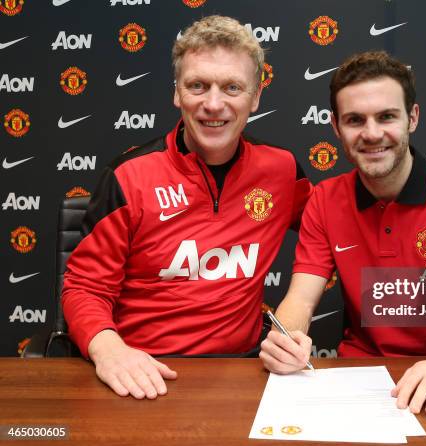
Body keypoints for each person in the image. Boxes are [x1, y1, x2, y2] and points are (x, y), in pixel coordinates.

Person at [62, 15, 312, 400]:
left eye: (232, 87)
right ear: (177, 93)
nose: (214, 104)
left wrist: (294, 317)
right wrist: (108, 350)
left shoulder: (281, 170)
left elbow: (328, 229)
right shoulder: (129, 176)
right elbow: (83, 286)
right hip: (144, 374)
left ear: (256, 97)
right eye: (198, 85)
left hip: (245, 375)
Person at [259, 51, 426, 416]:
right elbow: (301, 300)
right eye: (355, 120)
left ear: (413, 118)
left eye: (387, 116)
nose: (372, 133)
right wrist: (286, 340)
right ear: (336, 127)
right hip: (358, 380)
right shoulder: (325, 199)